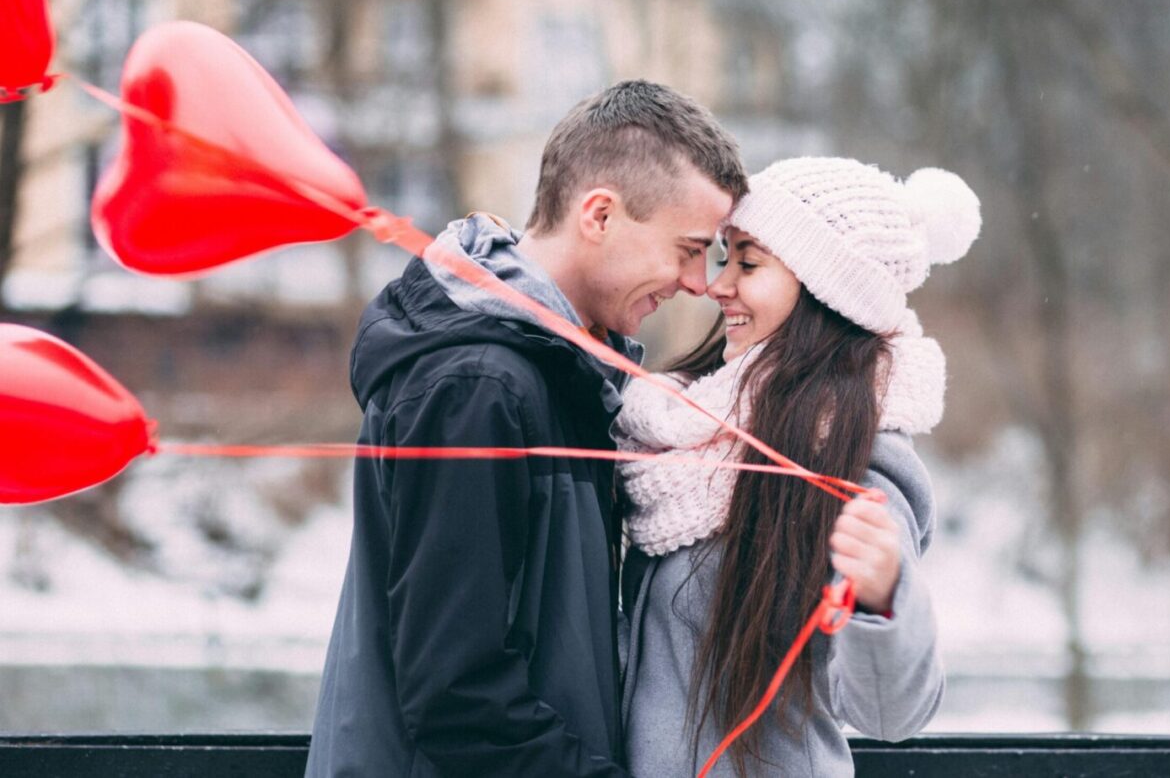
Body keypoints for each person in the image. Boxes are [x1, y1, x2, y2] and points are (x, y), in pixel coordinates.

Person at [305, 80, 747, 777]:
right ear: (599, 215)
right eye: (689, 248)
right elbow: (457, 693)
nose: (699, 282)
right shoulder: (477, 388)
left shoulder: (559, 374)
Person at [617, 156, 981, 777]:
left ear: (825, 289)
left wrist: (882, 597)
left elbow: (892, 714)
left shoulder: (854, 460)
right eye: (724, 256)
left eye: (749, 263)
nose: (718, 284)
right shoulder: (677, 433)